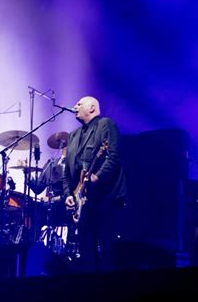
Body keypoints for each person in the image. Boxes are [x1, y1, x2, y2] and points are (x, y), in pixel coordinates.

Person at [62, 96, 127, 273]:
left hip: (106, 198)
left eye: (79, 104)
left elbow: (113, 157)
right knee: (86, 252)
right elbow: (67, 171)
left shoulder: (105, 124)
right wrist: (69, 194)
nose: (75, 106)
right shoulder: (73, 135)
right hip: (83, 202)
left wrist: (97, 177)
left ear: (92, 108)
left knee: (107, 250)